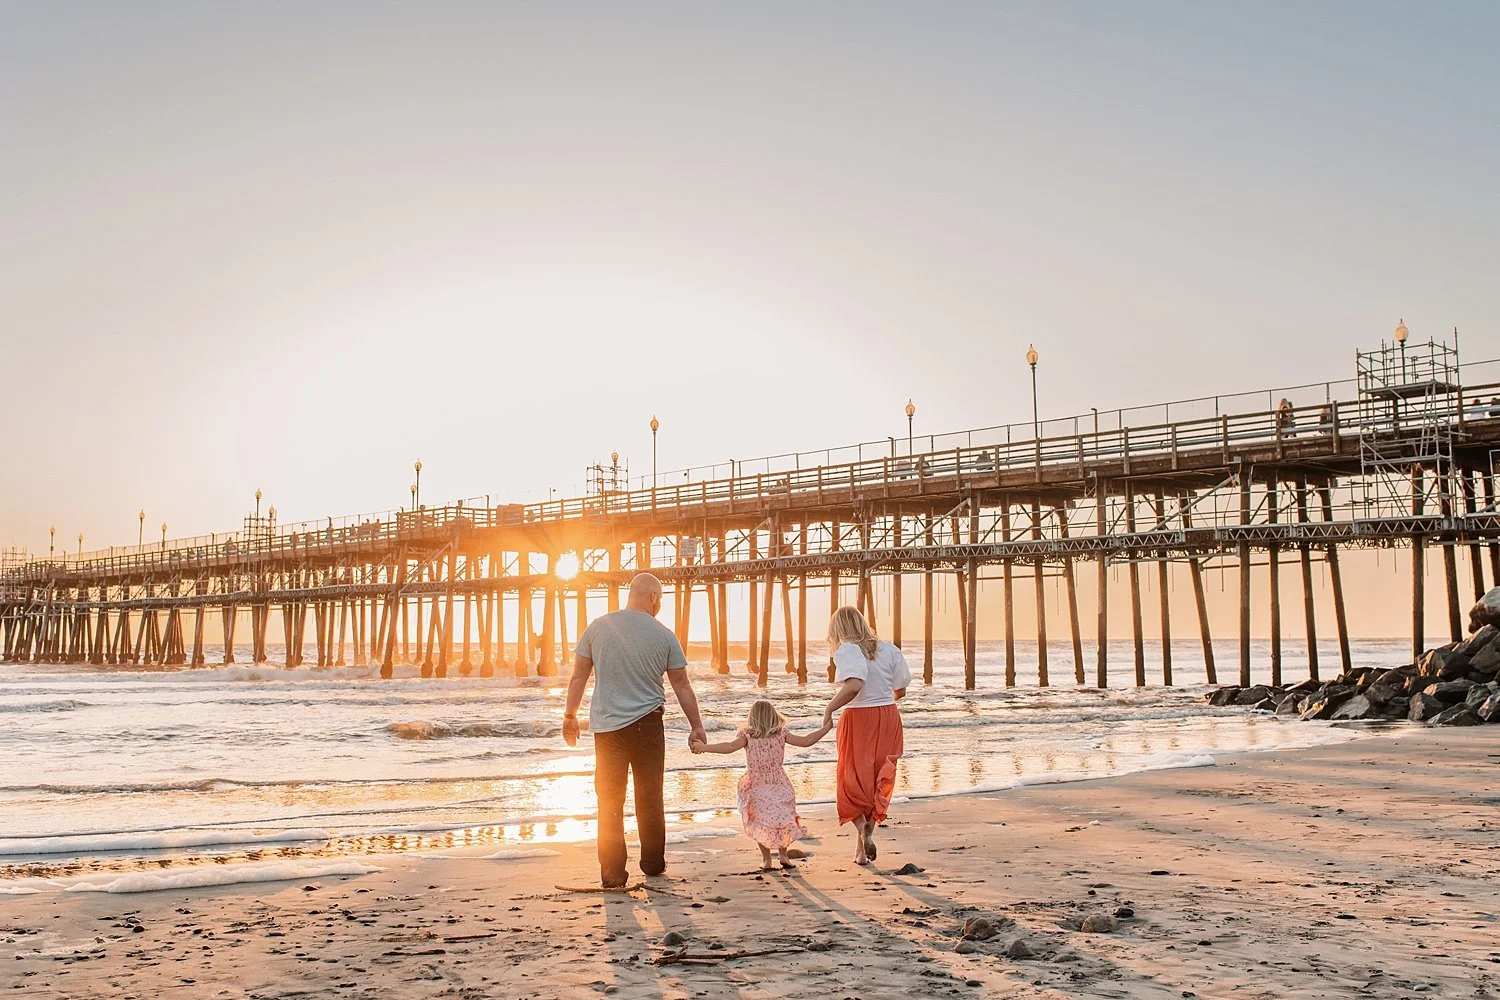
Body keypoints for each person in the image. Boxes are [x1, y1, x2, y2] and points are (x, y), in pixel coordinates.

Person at [563, 573, 707, 888]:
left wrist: (569, 716)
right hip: (648, 726)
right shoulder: (664, 635)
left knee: (610, 801)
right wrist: (696, 726)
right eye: (661, 599)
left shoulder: (597, 627)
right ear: (653, 596)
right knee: (650, 797)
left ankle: (612, 875)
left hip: (607, 730)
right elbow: (681, 685)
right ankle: (653, 865)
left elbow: (578, 678)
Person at [690, 699, 832, 871]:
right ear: (773, 716)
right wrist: (825, 728)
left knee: (760, 822)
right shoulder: (781, 734)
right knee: (781, 818)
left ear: (752, 717)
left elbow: (728, 747)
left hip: (757, 786)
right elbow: (807, 741)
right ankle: (783, 855)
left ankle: (766, 860)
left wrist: (704, 747)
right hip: (779, 783)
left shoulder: (748, 736)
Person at [822, 606, 909, 866]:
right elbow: (900, 689)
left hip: (859, 718)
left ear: (837, 629)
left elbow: (854, 685)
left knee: (850, 780)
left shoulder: (847, 648)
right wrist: (882, 700)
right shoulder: (889, 648)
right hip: (888, 716)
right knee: (875, 782)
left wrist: (829, 709)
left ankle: (862, 829)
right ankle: (861, 851)